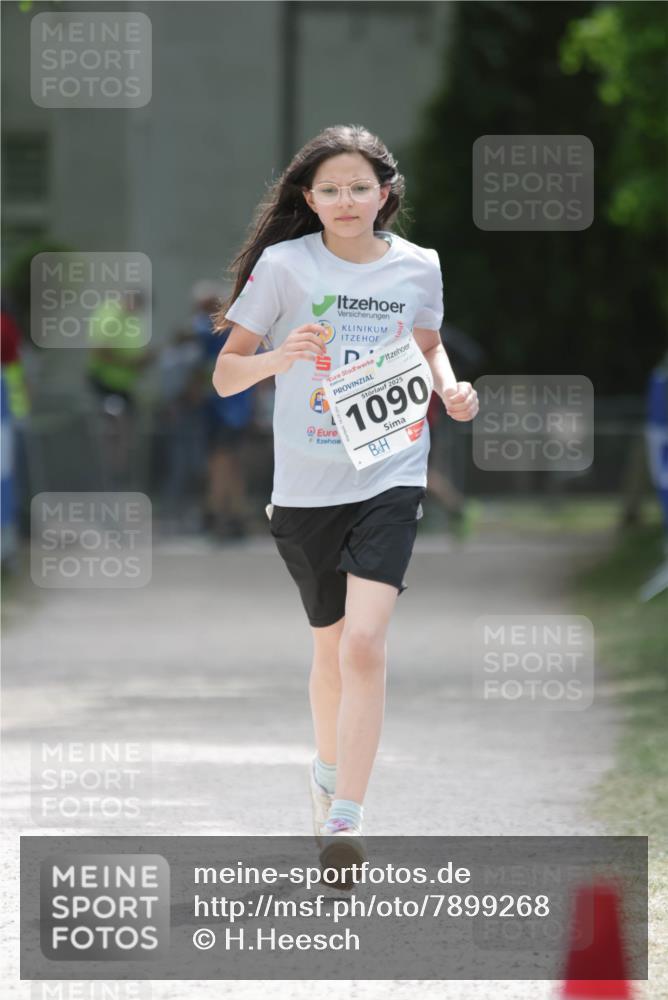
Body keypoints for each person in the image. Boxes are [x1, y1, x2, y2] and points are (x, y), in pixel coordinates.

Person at [211, 124, 478, 869]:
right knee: (330, 647)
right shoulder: (285, 266)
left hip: (391, 470)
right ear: (308, 197)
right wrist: (278, 358)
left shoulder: (419, 266)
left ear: (385, 192)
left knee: (364, 643)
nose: (346, 200)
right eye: (329, 189)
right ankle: (327, 773)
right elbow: (225, 375)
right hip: (306, 484)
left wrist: (449, 388)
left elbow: (428, 346)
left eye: (360, 187)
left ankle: (348, 816)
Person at [191, 281, 255, 540]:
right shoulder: (234, 330)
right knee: (230, 462)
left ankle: (219, 514)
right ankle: (233, 514)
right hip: (233, 408)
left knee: (221, 462)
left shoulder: (213, 331)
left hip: (226, 409)